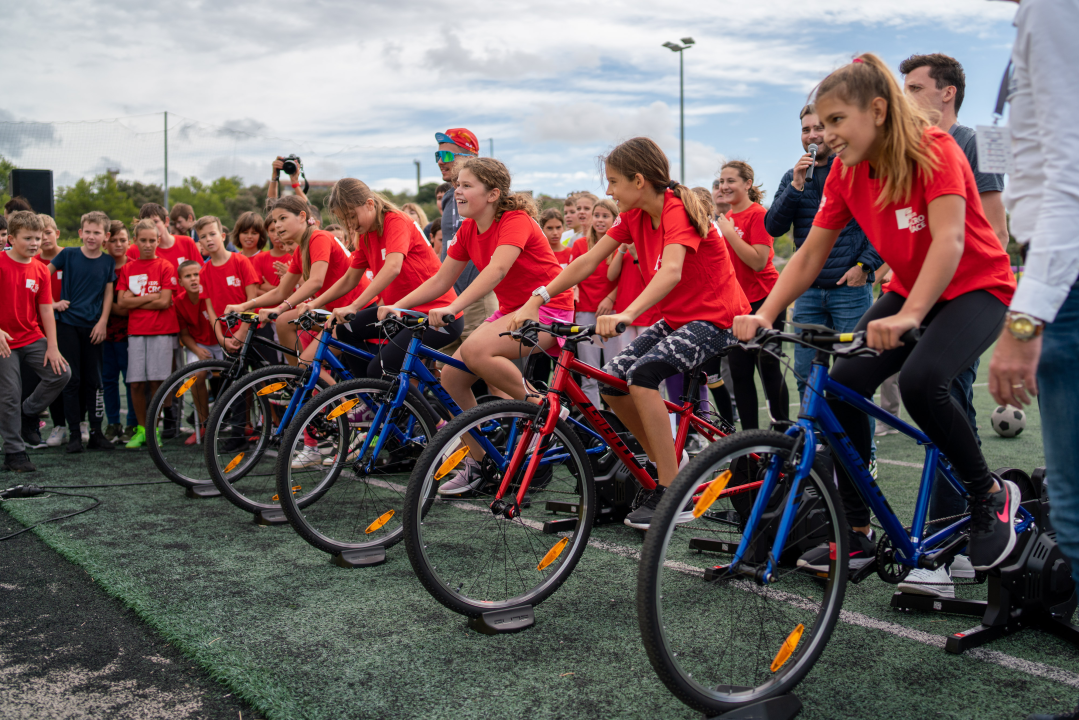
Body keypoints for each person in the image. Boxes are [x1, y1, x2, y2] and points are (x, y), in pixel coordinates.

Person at [735, 53, 1020, 575]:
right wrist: (767, 312)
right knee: (841, 390)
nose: (825, 135)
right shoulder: (844, 173)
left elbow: (950, 241)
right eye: (821, 124)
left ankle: (989, 493)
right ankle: (857, 528)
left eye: (836, 121)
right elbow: (810, 253)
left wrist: (911, 315)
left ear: (879, 111)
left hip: (978, 287)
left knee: (922, 382)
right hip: (912, 290)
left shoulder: (936, 148)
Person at [512, 137, 751, 529]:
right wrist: (537, 299)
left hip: (719, 319)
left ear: (638, 180)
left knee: (642, 376)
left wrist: (627, 313)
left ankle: (674, 490)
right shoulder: (634, 216)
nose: (609, 191)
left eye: (613, 181)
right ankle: (667, 460)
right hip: (679, 318)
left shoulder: (676, 209)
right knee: (611, 382)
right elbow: (588, 260)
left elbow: (671, 271)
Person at [984, 4, 1079, 718]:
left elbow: (1071, 180)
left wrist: (1025, 318)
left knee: (1073, 509)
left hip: (1064, 281)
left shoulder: (1054, 9)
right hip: (1058, 275)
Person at [380, 157, 575, 494]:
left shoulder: (515, 220)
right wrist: (399, 305)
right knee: (451, 378)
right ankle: (480, 461)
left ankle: (543, 408)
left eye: (467, 185)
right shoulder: (469, 229)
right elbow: (441, 279)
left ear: (493, 193)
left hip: (548, 309)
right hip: (513, 311)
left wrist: (453, 307)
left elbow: (497, 270)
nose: (457, 191)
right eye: (457, 185)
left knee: (475, 351)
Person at [765, 105, 882, 404]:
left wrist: (865, 266)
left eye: (819, 128)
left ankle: (854, 437)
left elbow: (881, 222)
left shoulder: (854, 169)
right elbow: (774, 227)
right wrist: (795, 186)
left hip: (850, 290)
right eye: (806, 130)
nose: (812, 135)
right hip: (807, 293)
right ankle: (814, 434)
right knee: (805, 377)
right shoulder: (792, 177)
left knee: (852, 378)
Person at [301, 177, 462, 382]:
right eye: (344, 220)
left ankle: (385, 393)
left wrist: (354, 306)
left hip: (436, 314)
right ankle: (366, 392)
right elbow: (350, 277)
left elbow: (393, 267)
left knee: (380, 371)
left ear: (370, 204)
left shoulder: (395, 220)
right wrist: (314, 304)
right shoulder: (366, 235)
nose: (350, 224)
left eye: (352, 216)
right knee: (345, 329)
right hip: (402, 312)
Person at [226, 196, 362, 366]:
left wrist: (280, 308)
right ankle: (295, 375)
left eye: (283, 218)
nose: (277, 225)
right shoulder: (301, 250)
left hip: (354, 311)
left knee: (307, 364)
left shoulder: (318, 237)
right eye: (275, 221)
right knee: (283, 322)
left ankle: (303, 373)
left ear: (302, 216)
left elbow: (316, 281)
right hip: (335, 312)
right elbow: (280, 292)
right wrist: (243, 306)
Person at [716, 160, 789, 430]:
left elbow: (758, 262)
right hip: (737, 305)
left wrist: (729, 233)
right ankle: (749, 443)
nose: (724, 186)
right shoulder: (727, 220)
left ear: (747, 184)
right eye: (721, 181)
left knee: (768, 368)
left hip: (765, 300)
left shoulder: (758, 214)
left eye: (731, 181)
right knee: (740, 372)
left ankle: (782, 434)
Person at [0, 211, 71, 472]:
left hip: (30, 336)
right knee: (10, 393)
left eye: (38, 238)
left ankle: (27, 413)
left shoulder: (41, 270)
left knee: (61, 373)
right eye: (28, 238)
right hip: (4, 340)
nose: (34, 243)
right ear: (11, 238)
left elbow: (45, 310)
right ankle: (14, 453)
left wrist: (52, 346)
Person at [47, 211, 117, 453]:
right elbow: (41, 275)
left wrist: (103, 321)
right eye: (87, 231)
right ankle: (74, 434)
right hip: (67, 325)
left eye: (96, 232)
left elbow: (108, 293)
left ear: (105, 236)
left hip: (93, 328)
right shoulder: (68, 254)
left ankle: (96, 432)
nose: (91, 236)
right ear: (80, 233)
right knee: (71, 379)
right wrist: (52, 303)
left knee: (94, 381)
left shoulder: (108, 261)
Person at [432, 127, 500, 361]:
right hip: (450, 298)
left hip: (477, 297)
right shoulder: (450, 196)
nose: (441, 161)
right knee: (445, 370)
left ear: (470, 158)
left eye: (447, 155)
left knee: (484, 370)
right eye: (438, 155)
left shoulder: (483, 197)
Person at [116, 219, 179, 450]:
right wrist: (151, 297)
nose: (148, 244)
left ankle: (154, 430)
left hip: (161, 332)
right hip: (136, 332)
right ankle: (142, 430)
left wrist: (136, 300)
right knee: (135, 384)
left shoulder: (166, 266)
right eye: (143, 240)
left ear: (158, 241)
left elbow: (164, 302)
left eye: (152, 240)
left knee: (156, 383)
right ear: (135, 241)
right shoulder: (128, 268)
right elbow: (122, 303)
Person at [570, 198, 618, 407]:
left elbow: (626, 278)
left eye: (605, 216)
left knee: (614, 372)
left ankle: (617, 420)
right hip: (585, 311)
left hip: (613, 312)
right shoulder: (580, 244)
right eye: (596, 215)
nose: (599, 220)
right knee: (588, 372)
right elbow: (573, 273)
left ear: (615, 220)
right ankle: (594, 420)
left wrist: (610, 298)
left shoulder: (620, 245)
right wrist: (574, 288)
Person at [196, 216, 261, 355]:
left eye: (212, 234)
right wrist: (220, 338)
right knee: (234, 369)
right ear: (200, 242)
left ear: (223, 236)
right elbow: (210, 309)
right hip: (229, 335)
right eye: (203, 236)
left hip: (253, 329)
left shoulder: (241, 261)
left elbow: (252, 297)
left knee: (266, 368)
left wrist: (243, 331)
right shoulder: (203, 272)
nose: (208, 239)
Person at [27, 214, 66, 447]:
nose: (41, 239)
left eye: (45, 233)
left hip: (65, 330)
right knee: (26, 384)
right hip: (31, 334)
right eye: (34, 236)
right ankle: (42, 426)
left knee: (68, 376)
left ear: (56, 233)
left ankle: (79, 426)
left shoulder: (69, 256)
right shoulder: (29, 263)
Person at [101, 220, 137, 443]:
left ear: (129, 242)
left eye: (122, 240)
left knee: (131, 380)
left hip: (130, 332)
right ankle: (113, 423)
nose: (118, 244)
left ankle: (132, 423)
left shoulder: (135, 266)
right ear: (105, 242)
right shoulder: (100, 265)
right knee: (108, 380)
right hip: (103, 333)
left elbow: (130, 306)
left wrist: (109, 306)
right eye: (113, 240)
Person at [174, 260, 217, 443]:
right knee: (196, 376)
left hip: (221, 342)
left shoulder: (212, 293)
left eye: (196, 274)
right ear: (180, 281)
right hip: (199, 345)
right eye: (188, 276)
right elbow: (184, 334)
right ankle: (203, 424)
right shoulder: (178, 302)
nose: (193, 279)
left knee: (238, 374)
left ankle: (245, 424)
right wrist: (197, 350)